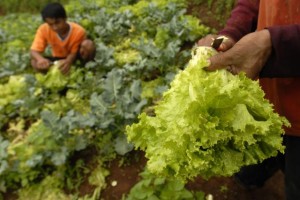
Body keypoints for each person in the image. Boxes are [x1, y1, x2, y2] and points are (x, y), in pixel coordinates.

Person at [197, 0, 300, 199]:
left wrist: (274, 43)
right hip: (265, 98)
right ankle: (249, 180)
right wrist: (232, 32)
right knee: (257, 157)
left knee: (295, 181)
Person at [30, 2, 96, 74]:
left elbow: (73, 52)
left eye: (57, 22)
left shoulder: (78, 31)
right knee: (34, 61)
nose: (55, 27)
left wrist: (68, 61)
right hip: (58, 58)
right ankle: (49, 76)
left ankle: (85, 69)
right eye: (50, 24)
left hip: (75, 58)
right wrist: (41, 59)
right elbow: (34, 50)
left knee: (88, 45)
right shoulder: (43, 29)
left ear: (65, 18)